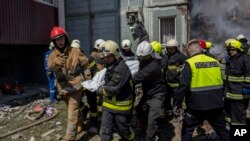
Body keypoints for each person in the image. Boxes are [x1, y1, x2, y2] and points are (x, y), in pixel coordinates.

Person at [174, 39, 229, 141]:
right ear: (200, 49)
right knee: (222, 131)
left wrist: (177, 104)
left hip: (197, 106)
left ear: (189, 51)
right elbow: (222, 82)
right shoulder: (215, 62)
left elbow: (183, 86)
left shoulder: (189, 63)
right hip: (216, 104)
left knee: (187, 130)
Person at [47, 26, 90, 141]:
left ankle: (69, 138)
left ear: (65, 38)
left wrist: (88, 79)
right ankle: (80, 123)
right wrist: (56, 63)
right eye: (57, 39)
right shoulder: (52, 55)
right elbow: (50, 66)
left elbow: (85, 63)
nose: (60, 41)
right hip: (63, 88)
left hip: (76, 85)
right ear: (54, 41)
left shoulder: (75, 51)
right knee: (73, 110)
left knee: (72, 112)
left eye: (61, 38)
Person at [96, 40, 135, 141]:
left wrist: (100, 90)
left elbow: (114, 88)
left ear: (116, 55)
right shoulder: (110, 65)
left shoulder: (121, 68)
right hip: (108, 105)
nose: (107, 58)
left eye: (109, 56)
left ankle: (130, 137)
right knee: (104, 130)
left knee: (123, 130)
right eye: (105, 56)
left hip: (121, 105)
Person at [132, 41, 166, 141]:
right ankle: (143, 128)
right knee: (139, 109)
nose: (142, 59)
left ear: (151, 55)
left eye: (145, 57)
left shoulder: (153, 66)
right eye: (140, 57)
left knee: (152, 119)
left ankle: (149, 138)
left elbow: (136, 78)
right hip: (147, 93)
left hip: (157, 94)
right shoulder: (143, 62)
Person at [224, 39, 250, 126]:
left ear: (238, 49)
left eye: (232, 49)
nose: (230, 51)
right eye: (228, 49)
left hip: (239, 95)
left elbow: (249, 74)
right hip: (229, 94)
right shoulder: (230, 59)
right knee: (228, 116)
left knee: (238, 119)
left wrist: (247, 86)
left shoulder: (245, 59)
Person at [164, 39, 187, 119]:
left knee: (177, 101)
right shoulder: (165, 56)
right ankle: (168, 115)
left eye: (172, 48)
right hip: (167, 83)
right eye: (168, 48)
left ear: (176, 48)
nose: (170, 50)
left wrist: (179, 70)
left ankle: (177, 115)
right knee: (166, 100)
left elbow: (186, 68)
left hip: (178, 84)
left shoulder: (181, 57)